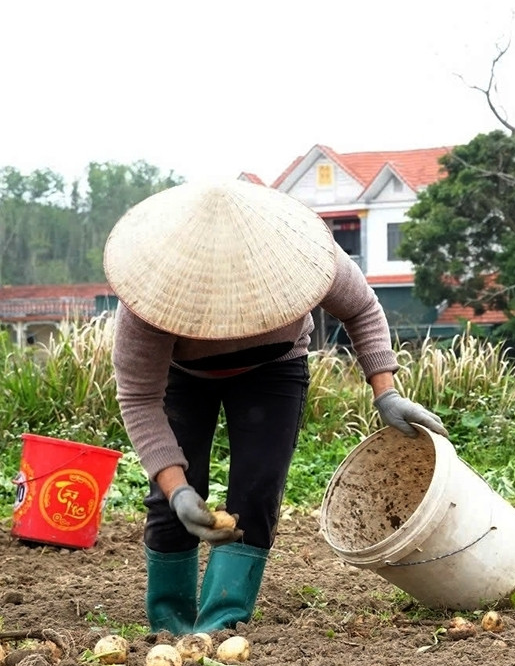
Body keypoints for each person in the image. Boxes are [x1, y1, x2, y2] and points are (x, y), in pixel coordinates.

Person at [105, 180, 448, 635]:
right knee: (174, 503)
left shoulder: (303, 255)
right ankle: (169, 626)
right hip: (183, 378)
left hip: (272, 371)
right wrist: (177, 489)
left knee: (256, 491)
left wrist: (385, 392)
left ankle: (221, 627)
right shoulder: (152, 297)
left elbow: (362, 309)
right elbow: (139, 397)